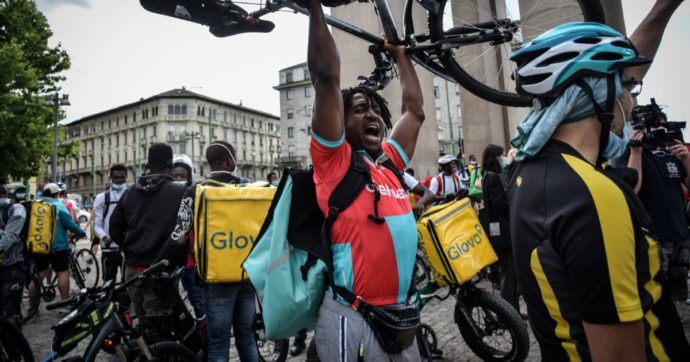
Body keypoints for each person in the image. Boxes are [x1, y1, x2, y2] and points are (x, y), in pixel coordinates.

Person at [507, 1, 689, 359]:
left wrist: (664, 8)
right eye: (626, 88)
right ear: (596, 92)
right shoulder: (593, 196)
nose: (631, 102)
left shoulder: (527, 170)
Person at [300, 0, 425, 359]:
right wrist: (314, 9)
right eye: (359, 109)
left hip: (401, 317)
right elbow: (326, 77)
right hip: (351, 314)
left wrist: (401, 56)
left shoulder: (388, 163)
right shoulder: (334, 162)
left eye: (375, 108)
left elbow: (414, 112)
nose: (372, 113)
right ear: (341, 119)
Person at [157, 141, 255, 362]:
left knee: (219, 343)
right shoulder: (250, 188)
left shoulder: (195, 192)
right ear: (230, 161)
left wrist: (159, 261)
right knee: (247, 338)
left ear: (209, 163)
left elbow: (178, 235)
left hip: (215, 278)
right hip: (247, 274)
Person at [109, 143, 186, 319]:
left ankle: (141, 346)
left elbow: (114, 229)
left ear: (148, 165)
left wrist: (129, 246)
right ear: (170, 165)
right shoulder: (181, 192)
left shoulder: (129, 193)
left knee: (139, 317)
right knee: (160, 324)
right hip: (160, 270)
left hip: (132, 269)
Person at [623, 106, 690, 303]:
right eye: (655, 127)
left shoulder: (671, 155)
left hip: (680, 235)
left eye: (663, 126)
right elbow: (631, 189)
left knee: (677, 297)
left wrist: (686, 160)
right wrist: (636, 151)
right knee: (655, 297)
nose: (660, 131)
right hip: (653, 238)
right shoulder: (629, 155)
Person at [27, 183, 85, 316]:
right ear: (57, 194)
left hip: (40, 246)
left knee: (38, 276)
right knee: (62, 273)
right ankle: (64, 305)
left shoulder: (36, 205)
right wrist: (80, 232)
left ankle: (32, 307)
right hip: (58, 247)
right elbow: (70, 224)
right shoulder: (59, 206)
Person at [478, 145, 518, 313]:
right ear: (494, 157)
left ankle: (512, 310)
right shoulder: (493, 177)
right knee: (509, 274)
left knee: (509, 273)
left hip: (497, 229)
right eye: (501, 156)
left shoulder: (487, 175)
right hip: (502, 230)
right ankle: (508, 313)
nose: (502, 159)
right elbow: (499, 203)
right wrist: (515, 205)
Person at [171, 154, 205, 320]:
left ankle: (203, 329)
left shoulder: (197, 195)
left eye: (182, 176)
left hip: (191, 260)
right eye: (175, 175)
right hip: (170, 260)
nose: (178, 179)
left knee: (197, 299)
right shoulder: (165, 196)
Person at [91, 164, 128, 285]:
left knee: (128, 283)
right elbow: (97, 224)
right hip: (108, 249)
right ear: (111, 178)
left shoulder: (132, 195)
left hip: (127, 248)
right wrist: (103, 237)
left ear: (126, 177)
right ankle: (108, 303)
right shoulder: (101, 198)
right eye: (116, 177)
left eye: (122, 177)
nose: (119, 180)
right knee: (108, 282)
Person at [0, 182, 27, 330]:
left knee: (10, 313)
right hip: (10, 267)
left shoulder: (15, 209)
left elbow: (9, 237)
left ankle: (15, 352)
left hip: (12, 267)